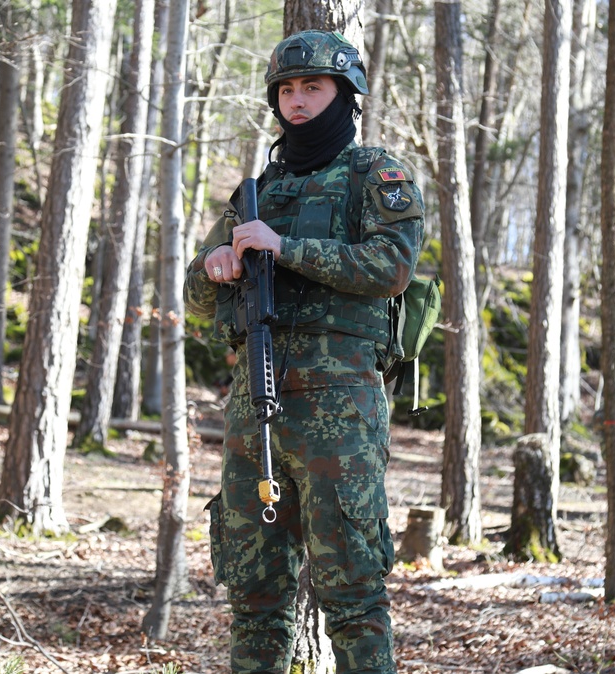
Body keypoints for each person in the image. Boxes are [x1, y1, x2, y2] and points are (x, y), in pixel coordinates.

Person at [183, 30, 424, 674]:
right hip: (253, 409)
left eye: (313, 87)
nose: (297, 101)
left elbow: (392, 266)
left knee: (351, 591)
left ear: (345, 95)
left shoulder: (376, 174)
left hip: (338, 409)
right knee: (255, 593)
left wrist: (285, 249)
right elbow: (197, 297)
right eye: (287, 89)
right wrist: (215, 265)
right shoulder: (259, 189)